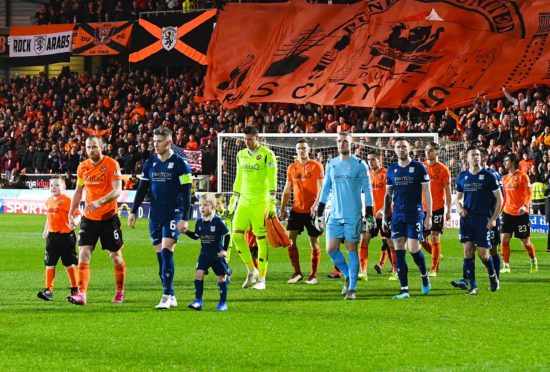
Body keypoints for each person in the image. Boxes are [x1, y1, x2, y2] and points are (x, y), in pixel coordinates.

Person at [128, 127, 192, 310]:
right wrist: (133, 211)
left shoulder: (181, 164)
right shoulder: (150, 163)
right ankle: (170, 293)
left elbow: (187, 194)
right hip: (155, 215)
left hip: (174, 213)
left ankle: (165, 297)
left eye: (159, 141)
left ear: (169, 142)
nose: (155, 144)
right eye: (154, 141)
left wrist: (185, 218)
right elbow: (142, 189)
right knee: (160, 259)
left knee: (166, 252)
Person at [67, 135, 126, 305]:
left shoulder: (111, 164)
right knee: (83, 255)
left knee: (115, 256)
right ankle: (82, 294)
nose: (91, 150)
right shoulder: (82, 167)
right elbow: (79, 190)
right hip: (89, 218)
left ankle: (119, 291)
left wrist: (99, 202)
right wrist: (72, 210)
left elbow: (117, 191)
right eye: (88, 147)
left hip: (109, 217)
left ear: (101, 147)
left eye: (94, 147)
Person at [315, 132, 374, 300]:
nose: (342, 144)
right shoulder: (331, 163)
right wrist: (320, 209)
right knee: (330, 249)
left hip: (353, 215)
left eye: (345, 141)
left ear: (351, 143)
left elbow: (368, 190)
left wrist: (368, 213)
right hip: (334, 215)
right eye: (339, 141)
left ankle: (352, 288)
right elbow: (326, 187)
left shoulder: (360, 165)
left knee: (351, 250)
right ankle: (348, 275)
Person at [383, 138, 432, 300]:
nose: (401, 149)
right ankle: (404, 289)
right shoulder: (391, 170)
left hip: (414, 213)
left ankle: (424, 275)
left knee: (413, 248)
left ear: (409, 148)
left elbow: (426, 192)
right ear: (394, 150)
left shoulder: (419, 168)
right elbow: (388, 195)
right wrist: (385, 214)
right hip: (397, 214)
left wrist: (428, 215)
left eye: (404, 146)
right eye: (398, 147)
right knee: (398, 249)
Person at [230, 126, 277, 290]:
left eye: (250, 139)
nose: (247, 142)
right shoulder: (240, 155)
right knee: (236, 236)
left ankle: (262, 280)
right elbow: (239, 177)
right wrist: (234, 196)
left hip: (260, 202)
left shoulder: (267, 154)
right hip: (244, 200)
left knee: (260, 239)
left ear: (257, 138)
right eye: (245, 139)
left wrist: (272, 201)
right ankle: (252, 270)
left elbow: (273, 178)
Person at [452, 151, 504, 289]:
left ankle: (493, 276)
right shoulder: (462, 176)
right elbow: (457, 198)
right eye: (473, 155)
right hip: (467, 219)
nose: (475, 157)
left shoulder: (489, 176)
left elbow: (500, 198)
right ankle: (472, 287)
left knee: (484, 255)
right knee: (468, 250)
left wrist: (494, 218)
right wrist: (459, 208)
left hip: (484, 219)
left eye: (477, 155)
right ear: (467, 158)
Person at [279, 139, 324, 285]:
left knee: (314, 242)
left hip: (312, 211)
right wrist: (282, 208)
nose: (301, 150)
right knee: (290, 242)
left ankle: (313, 275)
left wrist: (316, 205)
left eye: (304, 148)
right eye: (299, 148)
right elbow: (287, 189)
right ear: (296, 150)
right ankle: (297, 273)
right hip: (296, 210)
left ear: (309, 149)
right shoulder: (292, 167)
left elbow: (321, 188)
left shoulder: (316, 166)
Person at [37, 176, 81, 301]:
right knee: (49, 263)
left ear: (64, 187)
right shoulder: (49, 200)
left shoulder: (68, 200)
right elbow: (48, 216)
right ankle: (48, 290)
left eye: (57, 185)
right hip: (52, 236)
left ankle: (74, 288)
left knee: (68, 263)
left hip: (66, 236)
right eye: (51, 185)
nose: (53, 188)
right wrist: (46, 230)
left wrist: (74, 223)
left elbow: (78, 214)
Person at [185, 194, 231, 311]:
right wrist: (186, 232)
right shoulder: (199, 222)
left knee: (220, 278)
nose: (202, 207)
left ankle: (222, 303)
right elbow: (196, 236)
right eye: (200, 205)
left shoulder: (218, 221)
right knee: (199, 274)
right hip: (204, 254)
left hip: (217, 255)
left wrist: (224, 250)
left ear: (213, 206)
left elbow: (227, 234)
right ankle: (198, 301)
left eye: (205, 205)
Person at [500, 153, 537, 273]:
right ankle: (506, 266)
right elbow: (504, 197)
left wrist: (525, 206)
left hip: (521, 214)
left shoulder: (523, 176)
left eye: (506, 161)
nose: (504, 163)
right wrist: (500, 210)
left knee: (525, 243)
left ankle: (533, 260)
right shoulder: (504, 178)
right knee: (504, 239)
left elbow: (529, 193)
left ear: (512, 162)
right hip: (507, 212)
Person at [364, 150, 397, 281]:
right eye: (368, 160)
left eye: (373, 159)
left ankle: (395, 270)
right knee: (364, 239)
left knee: (390, 242)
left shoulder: (387, 173)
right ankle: (363, 270)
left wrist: (383, 209)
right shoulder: (368, 175)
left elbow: (392, 195)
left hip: (387, 214)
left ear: (379, 160)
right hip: (372, 215)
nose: (370, 162)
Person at [420, 142, 452, 276]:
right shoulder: (421, 167)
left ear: (437, 152)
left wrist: (449, 210)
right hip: (423, 208)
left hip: (437, 208)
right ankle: (437, 254)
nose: (428, 152)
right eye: (427, 150)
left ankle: (434, 267)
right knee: (420, 238)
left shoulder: (444, 169)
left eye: (431, 150)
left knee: (435, 236)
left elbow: (448, 191)